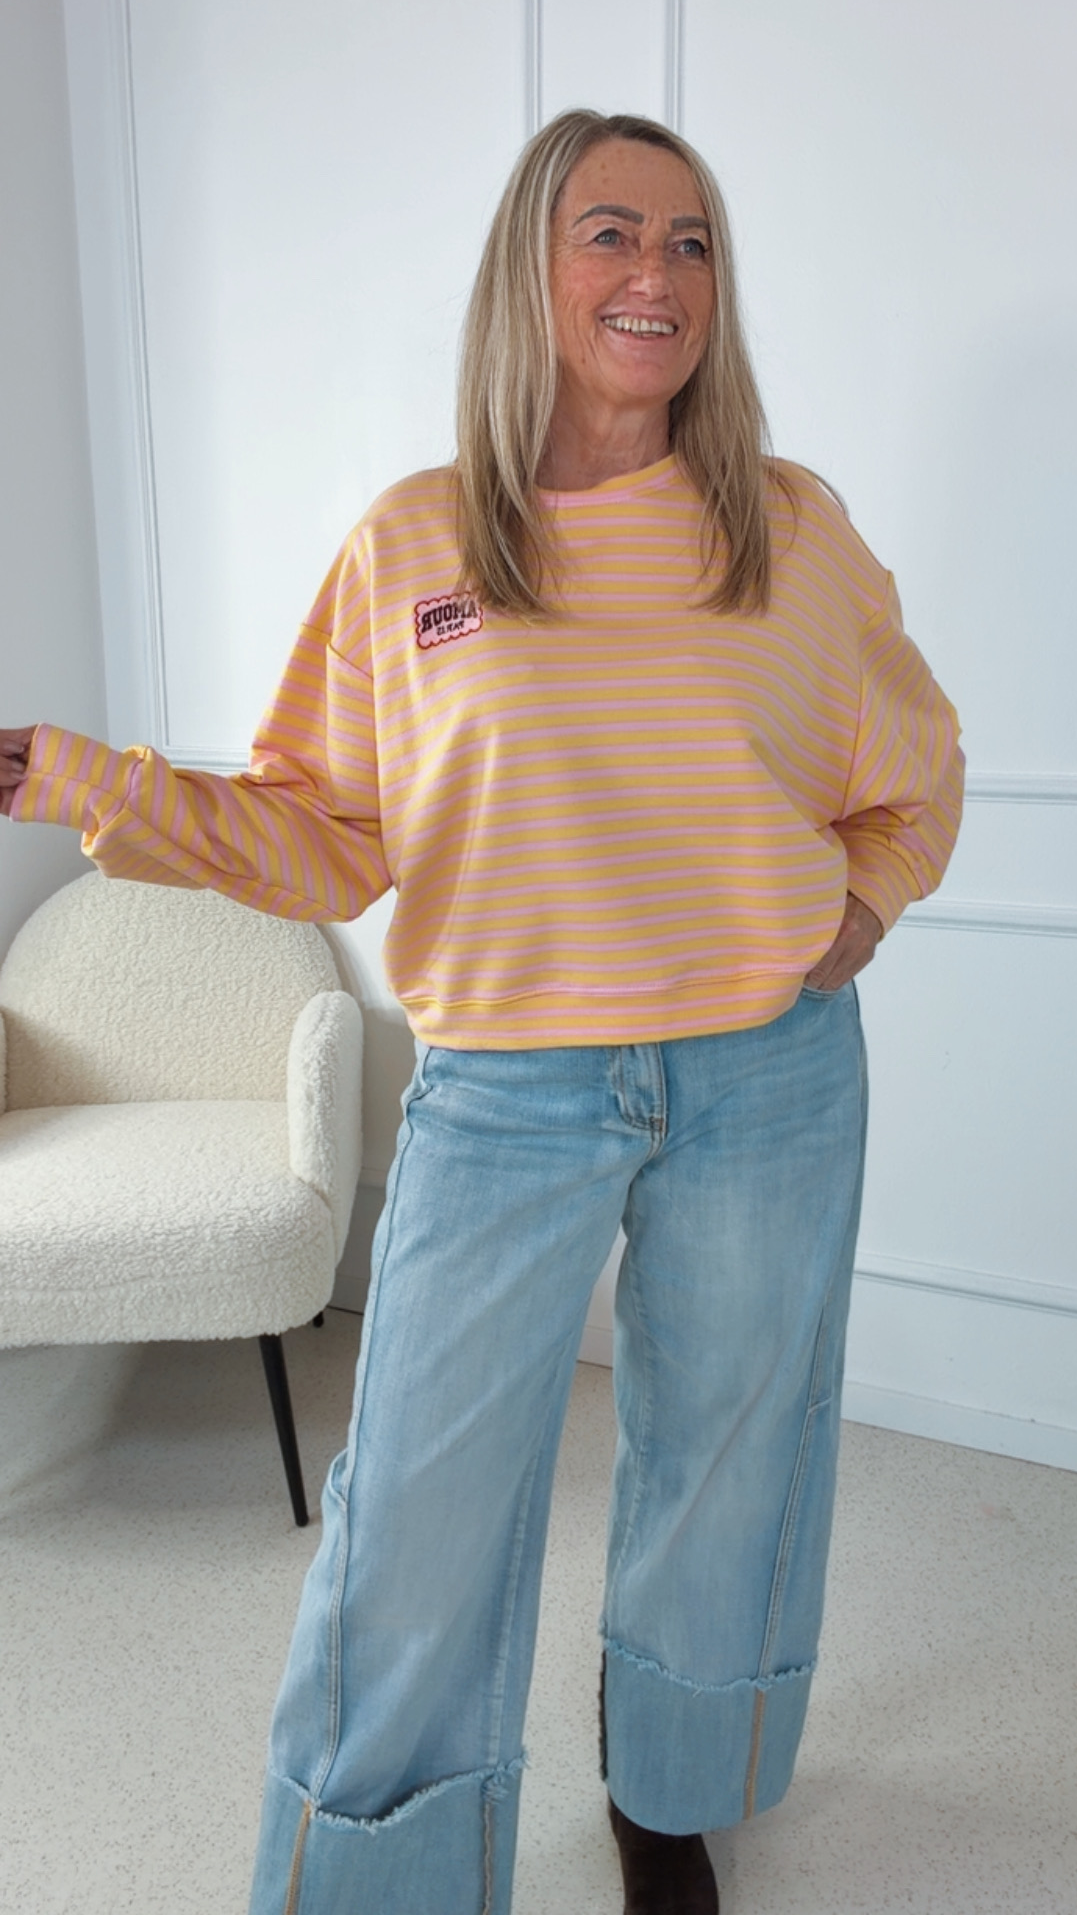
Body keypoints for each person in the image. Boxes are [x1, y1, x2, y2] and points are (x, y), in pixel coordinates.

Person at [0, 109, 962, 1915]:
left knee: (731, 1458)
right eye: (612, 232)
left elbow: (911, 765)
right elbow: (323, 834)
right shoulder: (416, 543)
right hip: (507, 1093)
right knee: (416, 1516)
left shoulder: (791, 531)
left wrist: (864, 904)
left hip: (767, 1075)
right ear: (532, 267)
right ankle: (380, 1873)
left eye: (690, 242)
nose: (656, 273)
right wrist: (77, 781)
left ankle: (669, 1790)